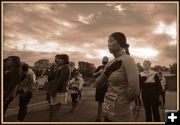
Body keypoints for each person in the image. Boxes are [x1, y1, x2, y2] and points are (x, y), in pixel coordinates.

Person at [95, 32, 139, 122]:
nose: (108, 44)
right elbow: (97, 85)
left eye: (111, 41)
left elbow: (135, 91)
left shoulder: (128, 60)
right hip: (107, 111)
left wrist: (123, 101)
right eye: (108, 41)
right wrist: (107, 72)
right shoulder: (110, 63)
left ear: (120, 42)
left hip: (121, 114)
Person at [48, 54, 71, 121]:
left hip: (59, 90)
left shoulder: (65, 67)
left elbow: (60, 80)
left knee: (55, 111)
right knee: (53, 111)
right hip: (58, 90)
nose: (57, 60)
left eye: (59, 59)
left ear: (63, 60)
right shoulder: (62, 66)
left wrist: (54, 91)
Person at [93, 56, 109, 122]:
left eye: (105, 59)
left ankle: (107, 118)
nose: (104, 60)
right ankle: (98, 118)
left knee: (108, 104)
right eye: (103, 59)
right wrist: (99, 72)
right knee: (99, 103)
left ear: (108, 60)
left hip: (107, 88)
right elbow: (93, 74)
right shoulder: (99, 67)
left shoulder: (110, 67)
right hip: (99, 88)